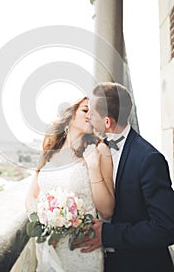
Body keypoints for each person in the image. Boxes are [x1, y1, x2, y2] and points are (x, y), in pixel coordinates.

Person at [75, 82, 174, 272]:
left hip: (141, 265)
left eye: (92, 113)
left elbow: (167, 228)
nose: (88, 116)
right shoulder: (94, 148)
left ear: (107, 122)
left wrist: (108, 234)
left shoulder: (148, 159)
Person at [25, 97, 115, 272]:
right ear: (70, 115)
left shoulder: (99, 149)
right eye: (85, 110)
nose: (91, 115)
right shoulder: (50, 148)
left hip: (81, 248)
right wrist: (43, 224)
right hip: (50, 246)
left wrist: (94, 167)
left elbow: (107, 210)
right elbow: (31, 196)